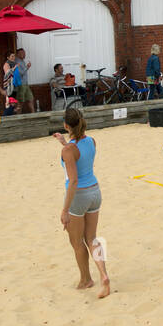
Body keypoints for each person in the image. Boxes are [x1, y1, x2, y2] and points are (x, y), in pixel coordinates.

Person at [52, 107, 110, 298]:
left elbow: (74, 180)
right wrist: (64, 142)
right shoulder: (91, 141)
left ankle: (86, 280)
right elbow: (81, 155)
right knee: (92, 238)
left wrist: (64, 210)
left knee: (77, 242)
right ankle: (104, 275)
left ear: (66, 125)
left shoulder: (69, 150)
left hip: (79, 196)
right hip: (95, 191)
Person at [11, 47, 34, 113]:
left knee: (30, 99)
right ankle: (18, 116)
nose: (24, 54)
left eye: (24, 53)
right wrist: (27, 67)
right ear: (17, 54)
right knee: (20, 102)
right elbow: (20, 73)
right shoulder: (17, 62)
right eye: (22, 53)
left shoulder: (22, 61)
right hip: (20, 85)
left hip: (25, 83)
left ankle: (34, 114)